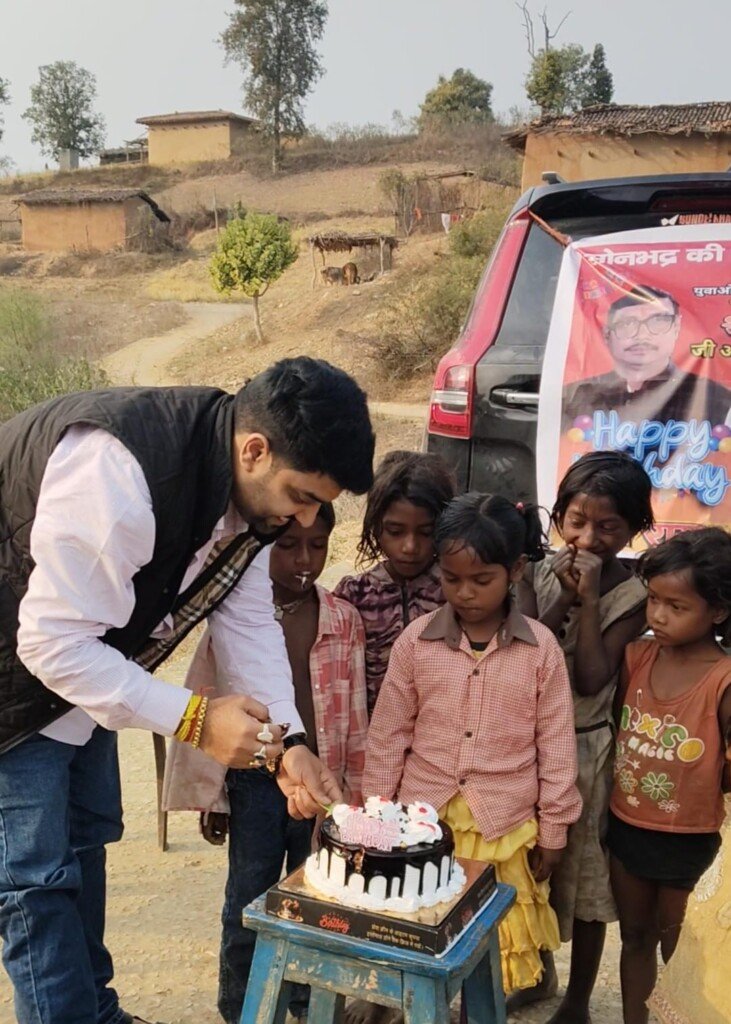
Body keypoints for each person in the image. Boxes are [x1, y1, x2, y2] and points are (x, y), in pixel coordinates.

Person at [0, 356, 375, 1024]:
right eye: (301, 495)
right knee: (36, 881)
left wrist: (286, 741)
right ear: (254, 450)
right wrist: (196, 720)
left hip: (79, 667)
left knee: (84, 841)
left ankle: (94, 1011)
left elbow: (247, 618)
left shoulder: (244, 491)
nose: (305, 518)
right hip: (17, 676)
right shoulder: (118, 476)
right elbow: (51, 643)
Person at [363, 493, 581, 997]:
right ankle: (403, 1003)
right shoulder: (416, 642)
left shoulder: (541, 650)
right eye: (451, 579)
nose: (465, 593)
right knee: (417, 924)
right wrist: (378, 814)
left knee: (492, 947)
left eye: (481, 580)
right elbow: (388, 735)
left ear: (516, 570)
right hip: (422, 820)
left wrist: (554, 830)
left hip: (503, 824)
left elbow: (555, 746)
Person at [163, 503, 369, 1024]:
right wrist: (214, 798)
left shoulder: (343, 619)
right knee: (248, 901)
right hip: (253, 781)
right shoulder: (235, 618)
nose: (304, 559)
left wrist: (353, 791)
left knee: (318, 899)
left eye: (317, 546)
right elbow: (208, 703)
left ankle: (305, 1002)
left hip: (319, 787)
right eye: (288, 545)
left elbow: (354, 712)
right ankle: (242, 1008)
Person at [518, 451, 653, 1024]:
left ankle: (577, 1000)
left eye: (608, 526)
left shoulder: (635, 595)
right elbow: (527, 650)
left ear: (635, 528)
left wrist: (592, 600)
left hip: (586, 748)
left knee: (586, 878)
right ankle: (537, 972)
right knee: (529, 866)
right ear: (558, 518)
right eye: (576, 521)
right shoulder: (533, 573)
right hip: (526, 746)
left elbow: (594, 677)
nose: (589, 538)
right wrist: (565, 597)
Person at [607, 528, 731, 1024]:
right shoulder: (637, 658)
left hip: (692, 841)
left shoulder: (723, 680)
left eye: (676, 606)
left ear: (717, 611)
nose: (657, 615)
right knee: (635, 937)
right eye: (653, 600)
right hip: (629, 827)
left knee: (681, 954)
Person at [334, 451, 455, 715]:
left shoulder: (455, 592)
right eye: (395, 531)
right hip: (373, 735)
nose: (410, 546)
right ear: (375, 527)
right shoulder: (355, 597)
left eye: (426, 532)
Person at [562, 285, 731, 429]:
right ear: (607, 334)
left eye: (657, 321)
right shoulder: (579, 395)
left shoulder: (713, 396)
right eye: (627, 323)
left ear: (676, 327)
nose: (642, 335)